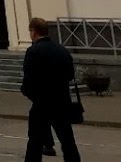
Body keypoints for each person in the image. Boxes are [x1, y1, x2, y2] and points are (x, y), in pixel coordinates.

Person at [22, 17, 81, 162]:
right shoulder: (61, 50)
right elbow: (70, 75)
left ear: (34, 32)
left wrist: (32, 95)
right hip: (61, 102)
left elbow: (28, 80)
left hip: (41, 104)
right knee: (68, 142)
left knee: (35, 143)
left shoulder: (33, 51)